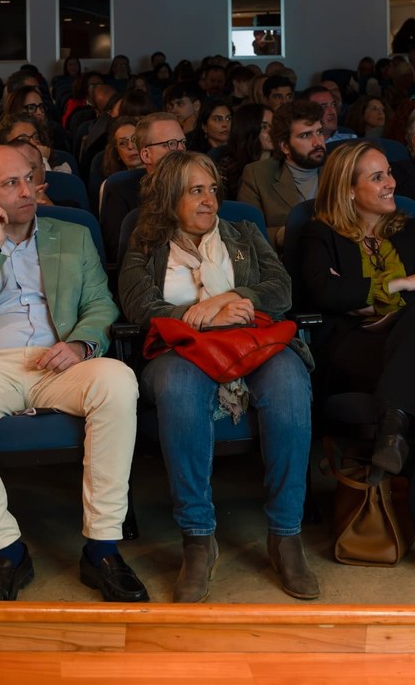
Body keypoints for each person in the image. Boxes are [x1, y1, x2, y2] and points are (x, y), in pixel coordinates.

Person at [0, 144, 146, 602]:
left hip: (59, 361)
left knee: (118, 380)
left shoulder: (73, 235)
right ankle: (5, 550)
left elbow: (100, 305)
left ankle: (103, 547)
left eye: (29, 178)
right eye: (10, 183)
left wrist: (80, 345)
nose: (27, 191)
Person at [118, 151, 317, 602]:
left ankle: (286, 534)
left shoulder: (243, 232)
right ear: (170, 198)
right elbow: (139, 306)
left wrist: (227, 298)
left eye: (212, 189)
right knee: (179, 388)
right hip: (180, 350)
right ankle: (197, 537)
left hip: (254, 342)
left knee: (289, 384)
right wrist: (201, 317)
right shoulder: (146, 244)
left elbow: (280, 290)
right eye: (196, 191)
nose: (209, 200)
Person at [297, 142, 415, 586]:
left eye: (389, 173)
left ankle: (396, 421)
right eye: (376, 177)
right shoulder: (319, 235)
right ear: (348, 188)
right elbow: (326, 295)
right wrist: (401, 284)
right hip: (355, 350)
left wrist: (366, 296)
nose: (390, 183)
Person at [239, 99, 326, 249]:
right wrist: (283, 235)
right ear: (284, 146)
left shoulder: (341, 168)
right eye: (306, 135)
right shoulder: (257, 175)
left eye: (319, 132)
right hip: (287, 258)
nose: (318, 142)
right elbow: (245, 233)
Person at [100, 113, 186, 260]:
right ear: (146, 155)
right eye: (171, 144)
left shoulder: (199, 186)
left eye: (182, 142)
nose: (181, 150)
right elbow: (119, 256)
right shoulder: (120, 190)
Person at [218, 102, 272, 199]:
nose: (272, 132)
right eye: (264, 127)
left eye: (274, 126)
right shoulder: (227, 166)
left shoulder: (285, 163)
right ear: (249, 130)